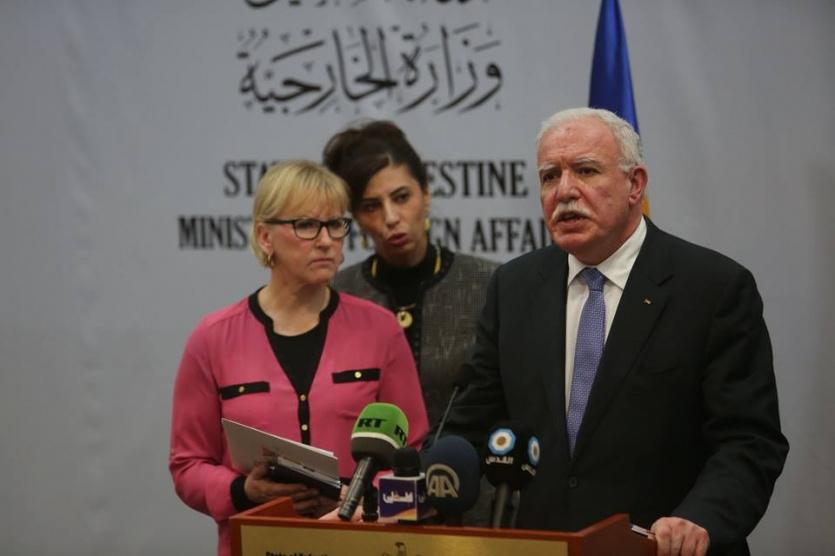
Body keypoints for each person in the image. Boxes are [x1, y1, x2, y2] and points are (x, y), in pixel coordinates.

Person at [438, 108, 788, 555]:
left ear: (635, 184)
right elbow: (469, 422)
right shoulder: (515, 287)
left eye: (586, 170)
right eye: (549, 176)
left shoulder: (712, 288)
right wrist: (408, 485)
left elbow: (748, 440)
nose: (564, 191)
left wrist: (700, 518)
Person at [169, 160, 429, 556]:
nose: (326, 240)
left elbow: (414, 455)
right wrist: (242, 490)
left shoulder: (381, 330)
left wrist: (366, 501)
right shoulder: (213, 338)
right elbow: (187, 466)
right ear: (265, 237)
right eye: (307, 225)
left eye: (335, 225)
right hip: (259, 542)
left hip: (360, 544)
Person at [324, 120, 497, 428]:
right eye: (371, 206)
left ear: (426, 193)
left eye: (401, 197)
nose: (391, 217)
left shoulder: (487, 283)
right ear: (356, 217)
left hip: (467, 457)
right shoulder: (337, 294)